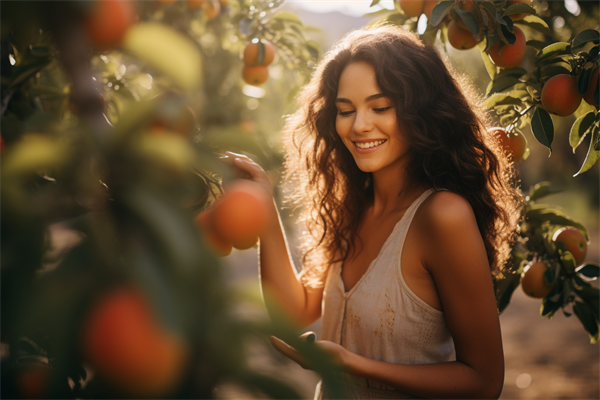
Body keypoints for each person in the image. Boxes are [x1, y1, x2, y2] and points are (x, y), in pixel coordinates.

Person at [230, 24, 522, 400]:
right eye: (345, 110)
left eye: (380, 107)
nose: (360, 125)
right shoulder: (351, 206)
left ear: (422, 111)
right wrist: (264, 208)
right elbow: (294, 311)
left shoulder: (443, 215)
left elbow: (483, 383)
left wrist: (351, 365)